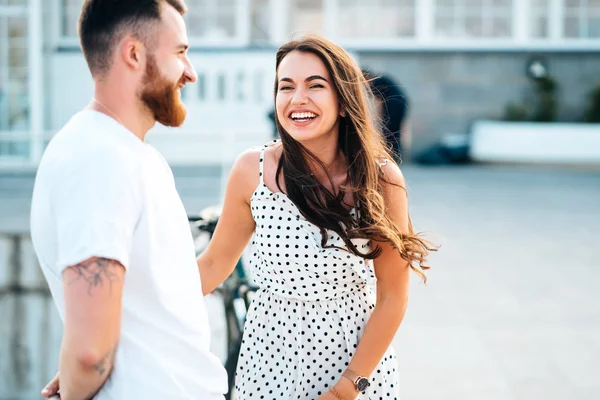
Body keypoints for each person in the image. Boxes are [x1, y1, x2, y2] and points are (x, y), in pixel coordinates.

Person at [197, 35, 434, 400]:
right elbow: (213, 265)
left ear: (343, 102)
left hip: (353, 363)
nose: (297, 99)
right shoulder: (252, 169)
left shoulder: (381, 179)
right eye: (285, 87)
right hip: (267, 358)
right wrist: (135, 300)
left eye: (315, 86)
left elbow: (393, 297)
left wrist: (348, 387)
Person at [30, 1, 227, 399]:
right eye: (180, 53)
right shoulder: (98, 158)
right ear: (134, 54)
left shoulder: (126, 155)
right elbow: (90, 353)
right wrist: (81, 367)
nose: (190, 72)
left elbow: (144, 306)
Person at [363, 70, 410, 164]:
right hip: (401, 104)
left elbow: (380, 102)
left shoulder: (376, 82)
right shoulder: (382, 79)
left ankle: (392, 157)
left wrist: (379, 120)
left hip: (394, 105)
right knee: (395, 132)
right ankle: (395, 156)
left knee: (389, 132)